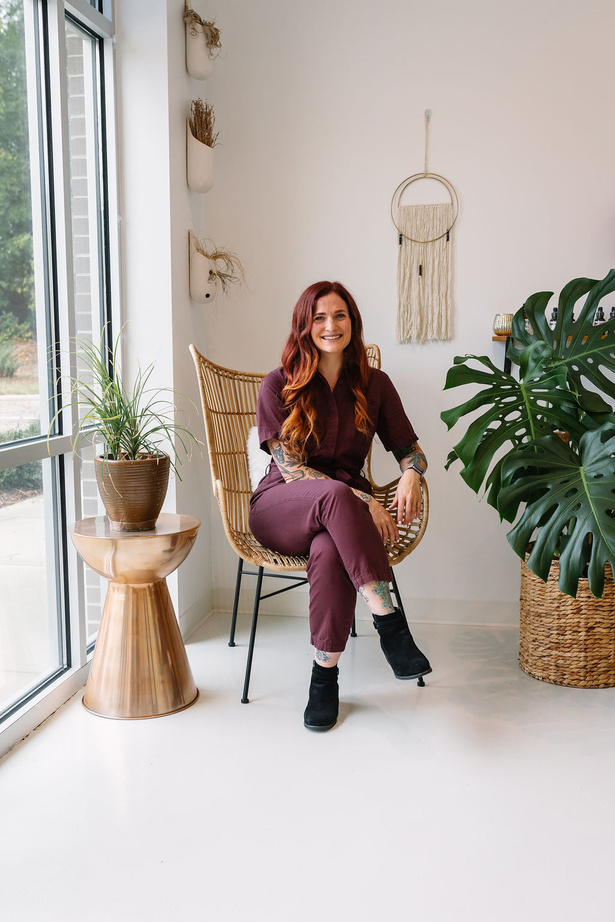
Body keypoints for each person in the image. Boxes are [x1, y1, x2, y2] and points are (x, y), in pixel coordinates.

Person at [249, 281, 431, 731]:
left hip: (339, 520)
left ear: (353, 322)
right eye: (320, 318)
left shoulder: (376, 384)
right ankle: (389, 623)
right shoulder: (279, 383)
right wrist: (365, 498)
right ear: (305, 327)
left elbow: (411, 449)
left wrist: (411, 473)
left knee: (329, 551)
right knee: (333, 493)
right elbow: (292, 472)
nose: (331, 326)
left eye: (340, 316)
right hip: (280, 506)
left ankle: (323, 677)